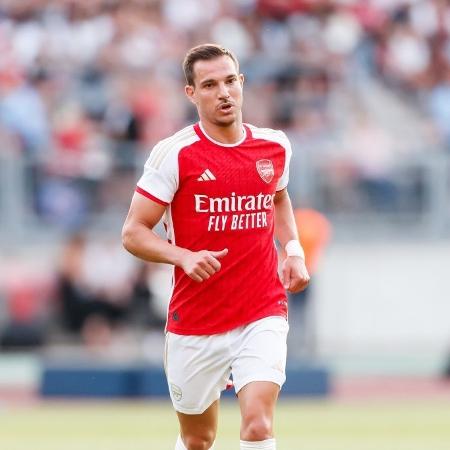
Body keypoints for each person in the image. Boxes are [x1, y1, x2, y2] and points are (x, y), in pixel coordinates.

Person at [122, 43, 310, 450]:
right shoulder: (175, 155)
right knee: (198, 439)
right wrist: (182, 256)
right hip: (196, 319)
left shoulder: (274, 146)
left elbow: (278, 196)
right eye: (209, 85)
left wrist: (292, 249)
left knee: (258, 425)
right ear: (191, 93)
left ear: (241, 83)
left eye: (229, 81)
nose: (223, 92)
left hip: (262, 309)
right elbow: (133, 232)